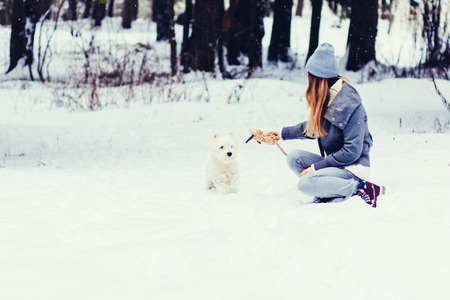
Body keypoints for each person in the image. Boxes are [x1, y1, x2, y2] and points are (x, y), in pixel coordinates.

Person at [273, 43, 385, 207]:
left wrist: (315, 168)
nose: (308, 81)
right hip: (337, 165)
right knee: (294, 158)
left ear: (319, 79)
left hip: (352, 169)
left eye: (309, 77)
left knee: (305, 183)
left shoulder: (349, 104)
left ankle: (360, 188)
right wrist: (282, 133)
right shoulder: (329, 97)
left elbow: (351, 152)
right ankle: (330, 190)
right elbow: (314, 127)